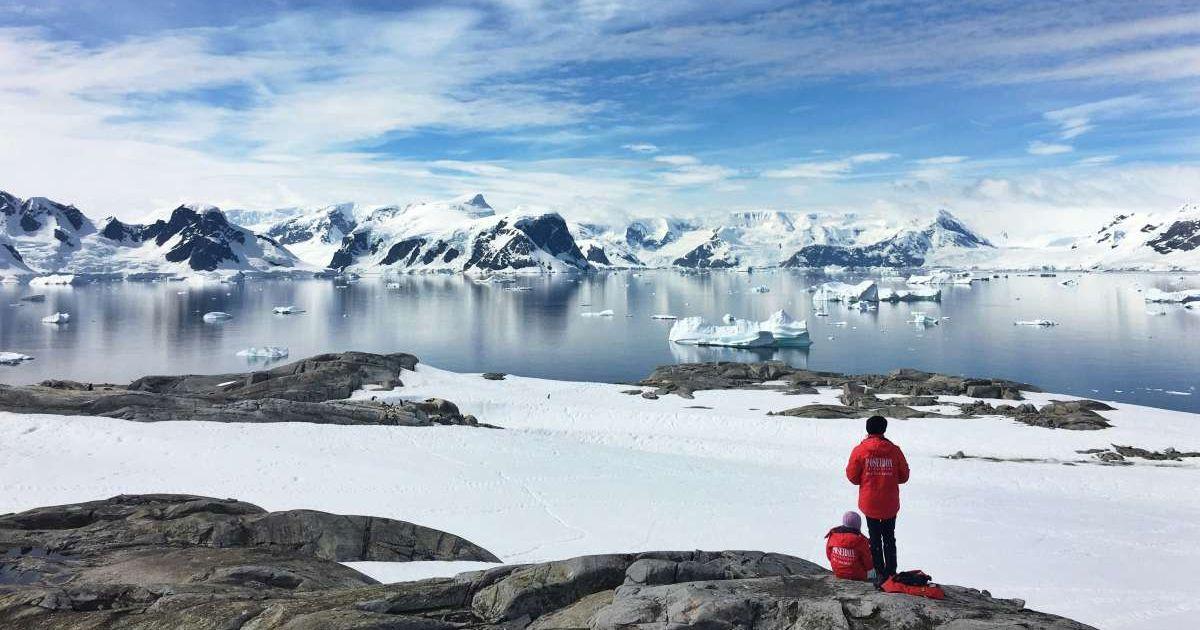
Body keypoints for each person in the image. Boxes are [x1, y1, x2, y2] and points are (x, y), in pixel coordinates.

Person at [845, 415, 909, 584]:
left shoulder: (860, 450)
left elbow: (852, 476)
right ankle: (891, 571)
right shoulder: (894, 450)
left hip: (870, 501)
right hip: (889, 501)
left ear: (868, 429)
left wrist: (867, 479)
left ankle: (880, 572)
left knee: (874, 537)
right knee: (889, 536)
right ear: (884, 429)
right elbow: (904, 476)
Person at [824, 510, 873, 580]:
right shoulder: (861, 541)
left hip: (838, 572)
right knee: (874, 571)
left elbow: (829, 555)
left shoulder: (833, 535)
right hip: (857, 575)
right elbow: (868, 565)